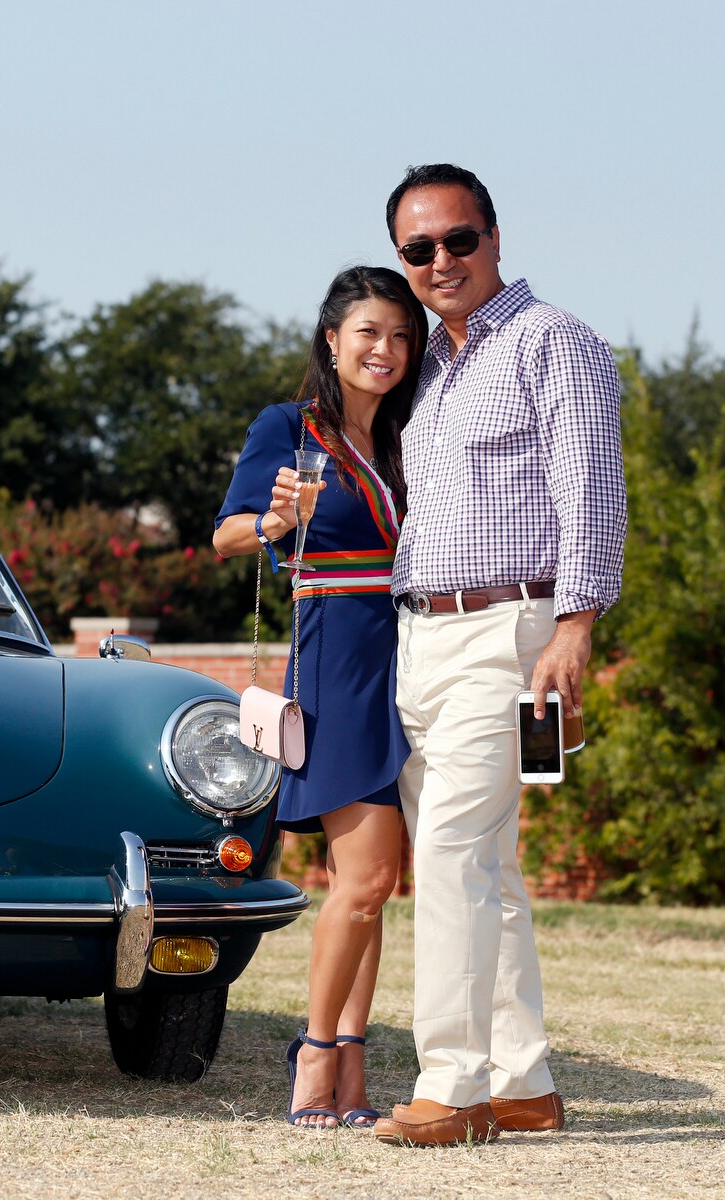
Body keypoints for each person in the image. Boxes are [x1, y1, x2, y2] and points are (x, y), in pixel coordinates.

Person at [368, 164, 626, 1147]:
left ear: (496, 236)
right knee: (489, 869)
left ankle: (453, 1087)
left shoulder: (554, 341)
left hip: (510, 635)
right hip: (420, 639)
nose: (441, 261)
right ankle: (524, 1082)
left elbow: (591, 492)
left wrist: (576, 624)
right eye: (419, 249)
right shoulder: (428, 366)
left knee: (449, 859)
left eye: (458, 239)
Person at [214, 266, 428, 1129]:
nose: (387, 350)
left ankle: (350, 1075)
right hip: (336, 659)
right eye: (370, 332)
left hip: (410, 659)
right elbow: (226, 538)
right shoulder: (290, 428)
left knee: (366, 885)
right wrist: (273, 519)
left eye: (403, 336)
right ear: (333, 339)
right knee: (368, 877)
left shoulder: (413, 437)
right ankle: (314, 1056)